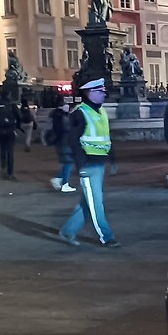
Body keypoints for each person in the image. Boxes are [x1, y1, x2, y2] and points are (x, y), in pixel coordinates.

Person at [59, 79, 117, 247]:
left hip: (98, 163)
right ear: (90, 93)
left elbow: (106, 138)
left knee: (89, 202)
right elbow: (73, 141)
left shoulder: (101, 112)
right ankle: (106, 237)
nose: (104, 95)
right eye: (101, 92)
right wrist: (81, 165)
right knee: (95, 203)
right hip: (89, 165)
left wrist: (112, 158)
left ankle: (67, 231)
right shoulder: (80, 113)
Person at [48, 103, 76, 193]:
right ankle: (65, 183)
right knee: (68, 162)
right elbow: (67, 128)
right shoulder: (62, 116)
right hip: (65, 142)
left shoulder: (56, 115)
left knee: (67, 162)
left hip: (60, 142)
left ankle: (59, 178)